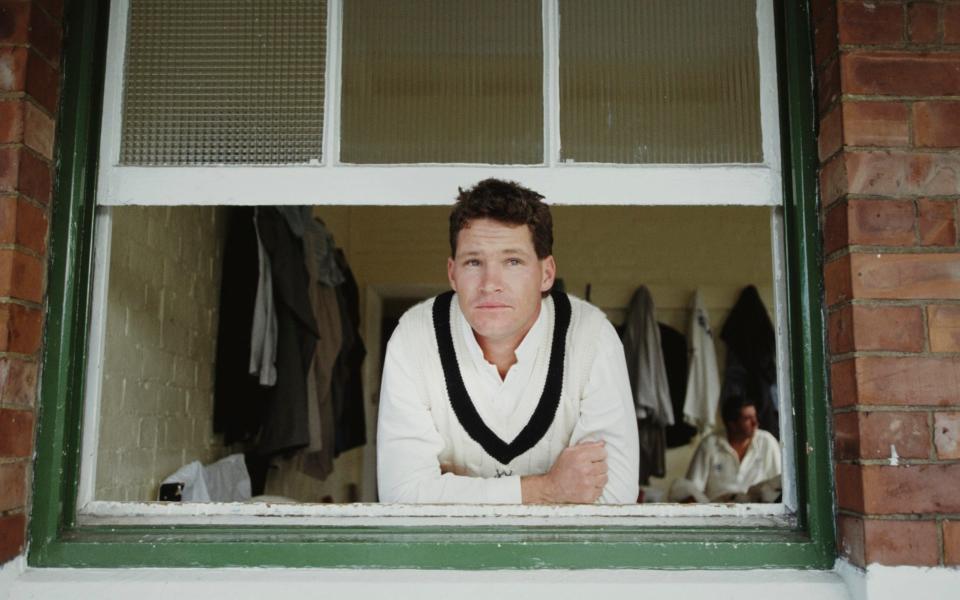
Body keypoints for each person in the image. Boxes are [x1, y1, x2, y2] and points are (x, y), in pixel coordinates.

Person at [377, 178, 640, 504]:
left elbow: (613, 499)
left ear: (546, 273)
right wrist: (548, 489)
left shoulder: (592, 338)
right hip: (447, 557)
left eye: (512, 261)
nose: (490, 284)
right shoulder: (414, 339)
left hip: (558, 557)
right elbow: (402, 498)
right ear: (452, 273)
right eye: (473, 262)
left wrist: (451, 489)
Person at [668, 395, 781, 503]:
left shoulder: (767, 441)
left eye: (755, 416)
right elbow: (692, 489)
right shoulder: (709, 444)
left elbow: (779, 484)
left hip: (759, 512)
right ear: (732, 424)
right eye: (747, 418)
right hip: (718, 514)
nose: (755, 423)